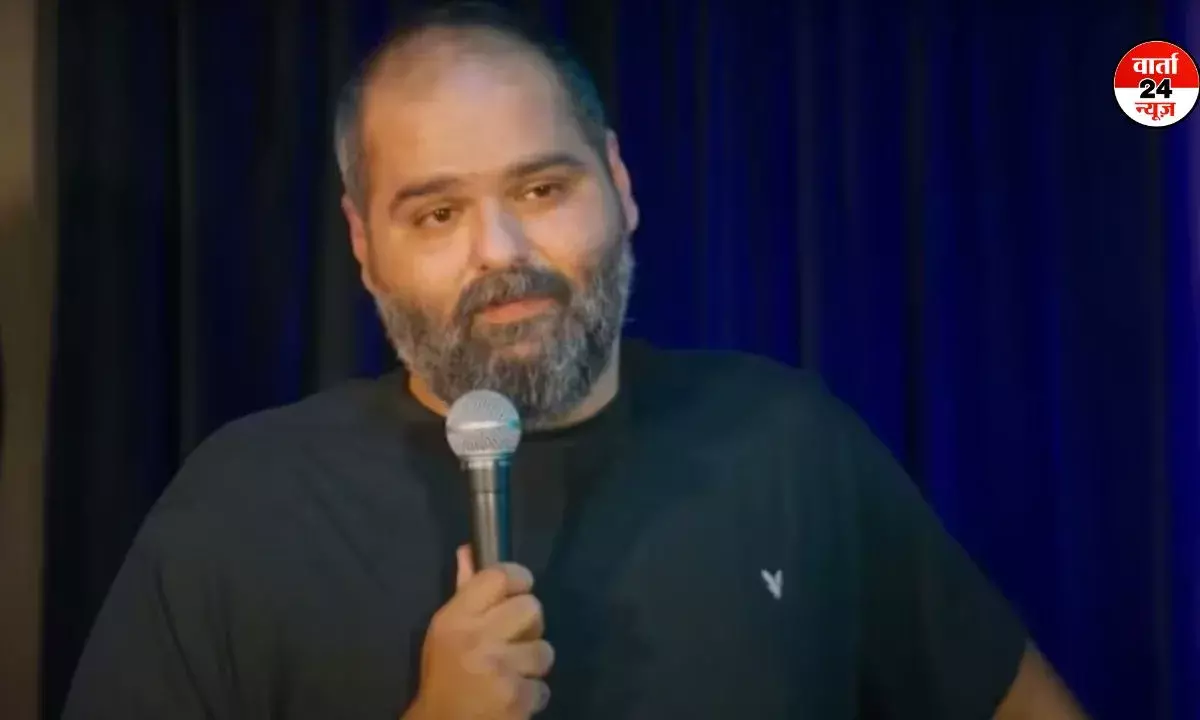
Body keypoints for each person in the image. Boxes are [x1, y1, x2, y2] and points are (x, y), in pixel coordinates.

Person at [64, 2, 1089, 718]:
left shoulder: (788, 439)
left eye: (542, 189)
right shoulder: (243, 505)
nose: (501, 251)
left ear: (621, 187)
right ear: (364, 247)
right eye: (438, 212)